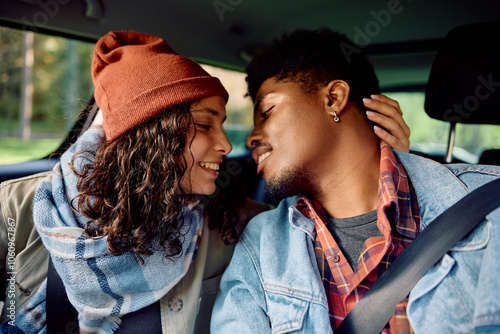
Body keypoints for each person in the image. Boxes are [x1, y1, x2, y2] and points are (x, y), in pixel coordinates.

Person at [0, 31, 410, 333]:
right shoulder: (20, 207)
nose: (228, 145)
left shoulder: (235, 223)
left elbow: (326, 223)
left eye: (224, 124)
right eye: (202, 125)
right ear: (150, 137)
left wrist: (397, 171)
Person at [211, 28, 500, 333]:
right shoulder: (262, 243)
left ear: (333, 98)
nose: (252, 138)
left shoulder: (487, 206)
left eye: (267, 111)